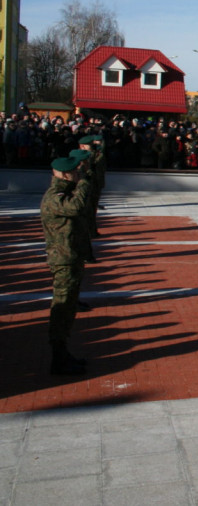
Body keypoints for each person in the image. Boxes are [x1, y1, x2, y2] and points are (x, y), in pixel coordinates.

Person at [41, 152, 93, 375]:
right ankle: (58, 358)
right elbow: (76, 207)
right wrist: (83, 184)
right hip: (63, 259)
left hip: (71, 256)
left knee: (69, 307)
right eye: (74, 171)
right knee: (62, 308)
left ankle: (63, 354)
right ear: (63, 174)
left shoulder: (64, 192)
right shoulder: (55, 197)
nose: (78, 174)